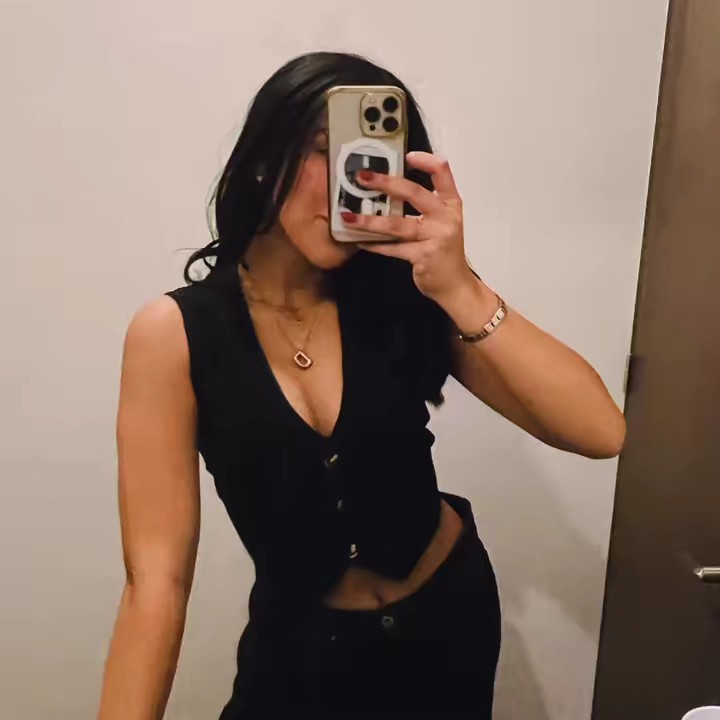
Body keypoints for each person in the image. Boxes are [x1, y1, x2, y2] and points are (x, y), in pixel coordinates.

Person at [97, 52, 626, 720]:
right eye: (325, 150)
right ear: (263, 159)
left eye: (375, 159)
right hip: (302, 653)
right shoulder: (176, 334)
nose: (354, 179)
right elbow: (156, 582)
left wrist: (461, 287)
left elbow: (601, 431)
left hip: (448, 624)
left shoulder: (408, 291)